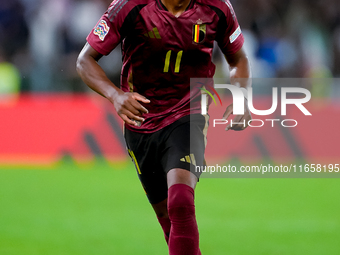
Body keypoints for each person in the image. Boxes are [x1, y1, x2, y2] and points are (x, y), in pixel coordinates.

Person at [76, 0, 251, 253]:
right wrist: (115, 95)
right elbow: (85, 60)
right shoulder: (129, 6)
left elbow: (238, 59)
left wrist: (242, 96)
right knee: (169, 220)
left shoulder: (217, 7)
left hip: (188, 112)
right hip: (141, 119)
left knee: (180, 201)